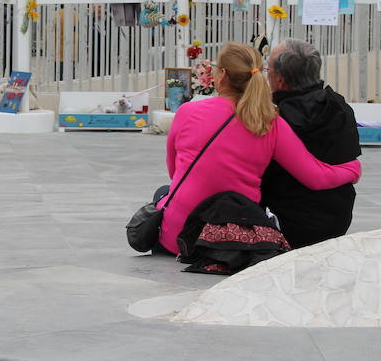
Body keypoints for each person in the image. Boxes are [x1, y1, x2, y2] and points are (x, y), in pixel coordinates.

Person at [154, 42, 361, 256]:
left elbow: (175, 173)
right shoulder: (270, 121)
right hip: (236, 239)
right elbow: (315, 176)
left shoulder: (187, 111)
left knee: (163, 192)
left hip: (180, 239)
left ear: (222, 74)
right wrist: (352, 169)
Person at [260, 39, 360, 249]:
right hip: (336, 218)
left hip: (284, 223)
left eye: (268, 69)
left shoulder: (274, 117)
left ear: (279, 79)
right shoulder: (339, 107)